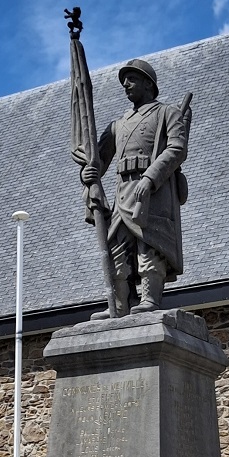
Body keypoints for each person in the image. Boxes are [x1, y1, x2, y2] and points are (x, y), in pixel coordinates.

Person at [80, 59, 191, 314]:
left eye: (132, 79)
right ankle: (119, 305)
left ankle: (150, 300)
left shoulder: (167, 113)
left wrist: (150, 178)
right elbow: (97, 160)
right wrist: (88, 172)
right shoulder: (118, 124)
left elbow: (177, 149)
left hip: (153, 193)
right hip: (123, 193)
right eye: (124, 81)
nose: (126, 85)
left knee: (150, 245)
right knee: (117, 250)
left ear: (148, 84)